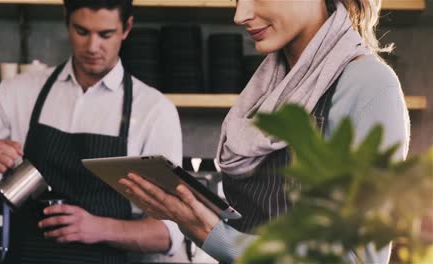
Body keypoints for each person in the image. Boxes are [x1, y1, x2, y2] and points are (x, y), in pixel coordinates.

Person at [119, 0, 411, 263]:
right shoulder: (269, 90)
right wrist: (190, 214)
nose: (240, 15)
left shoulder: (369, 85)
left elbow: (358, 258)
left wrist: (213, 234)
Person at [0, 0, 184, 263]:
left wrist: (99, 228)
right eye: (82, 32)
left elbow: (169, 233)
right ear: (66, 20)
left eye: (105, 34)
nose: (92, 47)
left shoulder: (154, 110)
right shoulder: (19, 92)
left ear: (127, 28)